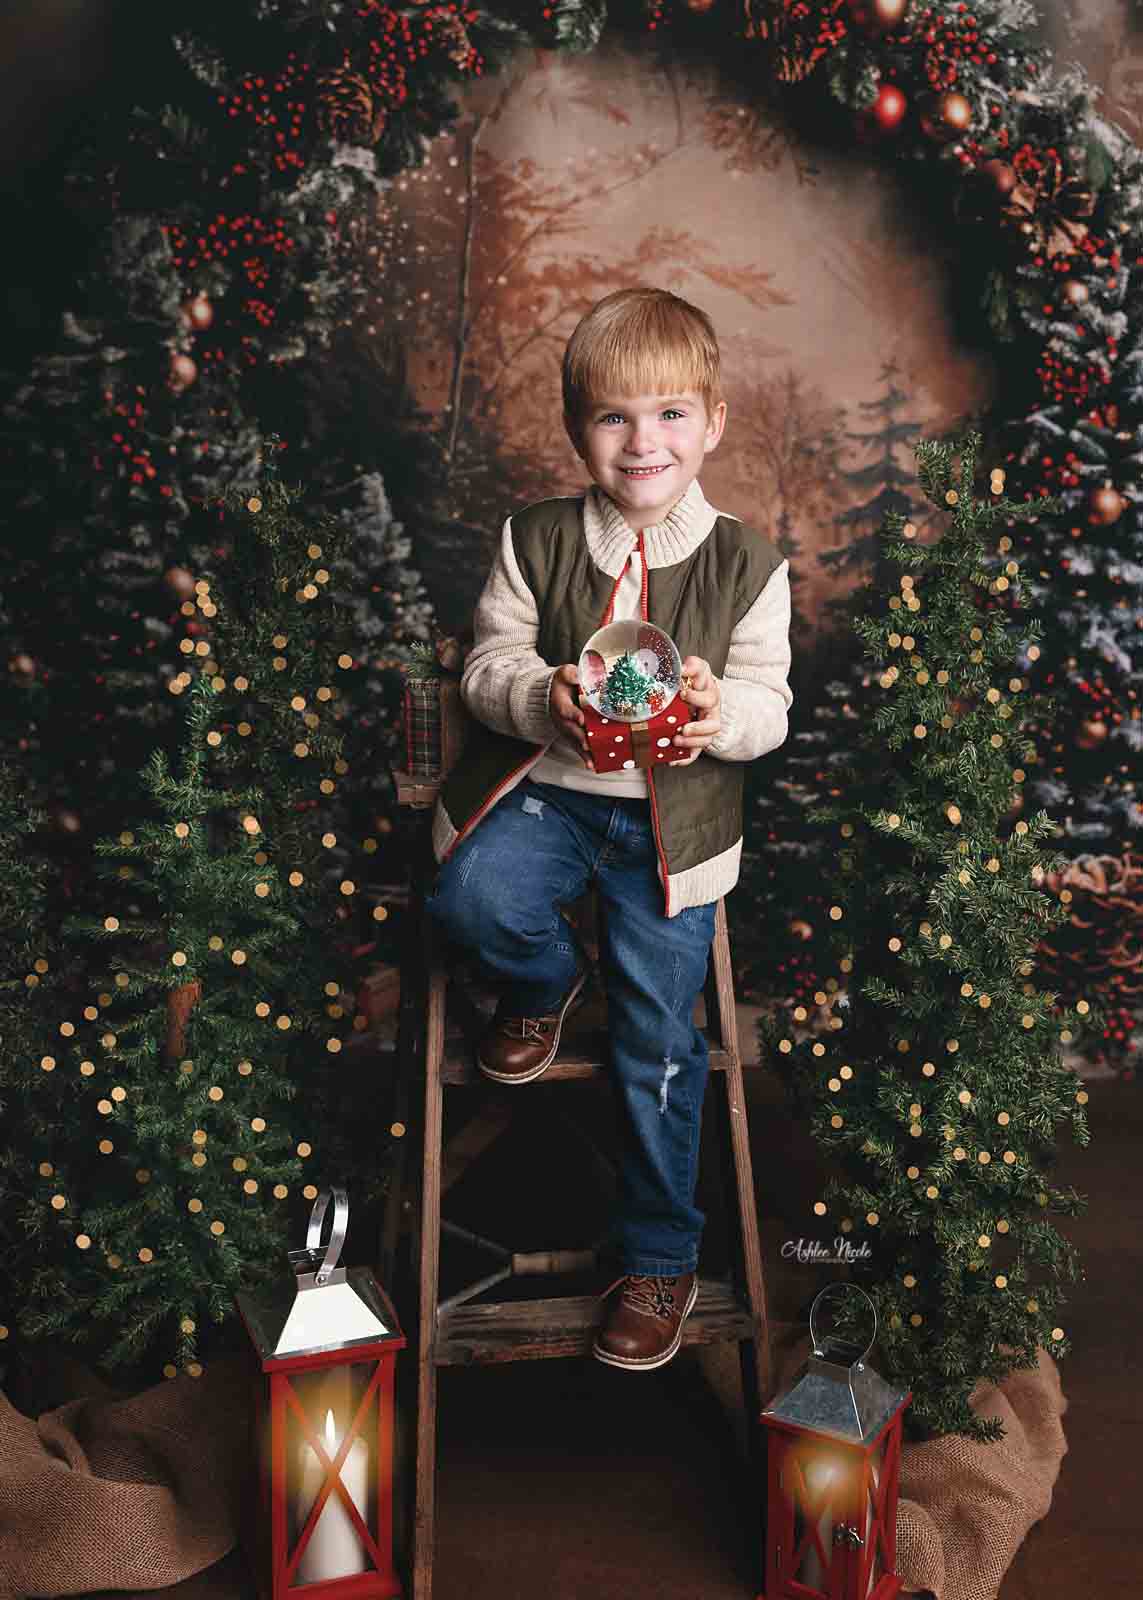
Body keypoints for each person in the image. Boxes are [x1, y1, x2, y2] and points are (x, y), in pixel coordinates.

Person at [424, 286, 793, 1371]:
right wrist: (544, 698)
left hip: (672, 830)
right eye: (615, 418)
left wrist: (723, 714)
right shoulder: (533, 538)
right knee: (472, 895)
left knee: (658, 1047)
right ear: (578, 428)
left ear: (714, 422)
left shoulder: (747, 561)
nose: (645, 442)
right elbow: (485, 668)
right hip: (554, 793)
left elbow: (771, 707)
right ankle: (542, 984)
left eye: (672, 414)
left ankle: (659, 1256)